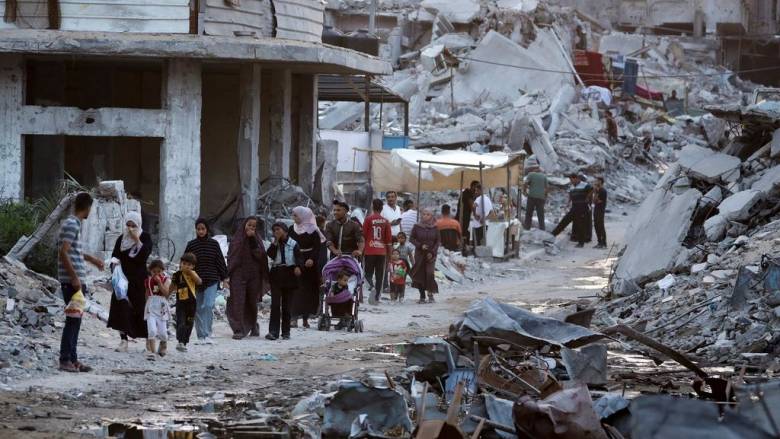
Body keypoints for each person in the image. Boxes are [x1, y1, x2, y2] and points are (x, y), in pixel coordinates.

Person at [58, 192, 104, 372]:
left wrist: (93, 260)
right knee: (72, 320)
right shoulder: (71, 224)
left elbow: (74, 252)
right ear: (87, 207)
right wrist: (74, 277)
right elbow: (63, 252)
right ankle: (65, 360)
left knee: (76, 320)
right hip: (72, 282)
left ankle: (73, 359)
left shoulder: (73, 224)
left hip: (75, 280)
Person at [108, 211, 153, 352]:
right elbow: (115, 255)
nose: (130, 229)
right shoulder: (121, 239)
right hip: (122, 280)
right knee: (121, 308)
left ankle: (148, 340)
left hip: (138, 280)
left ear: (139, 224)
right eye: (128, 225)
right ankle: (123, 340)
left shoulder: (145, 237)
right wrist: (114, 265)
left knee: (140, 309)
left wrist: (137, 240)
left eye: (133, 226)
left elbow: (144, 255)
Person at [184, 218, 228, 345]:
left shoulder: (214, 244)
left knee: (208, 305)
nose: (201, 231)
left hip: (212, 279)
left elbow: (220, 261)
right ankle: (201, 336)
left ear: (207, 229)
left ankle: (208, 333)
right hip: (196, 281)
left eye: (203, 229)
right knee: (197, 308)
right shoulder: (191, 245)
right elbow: (185, 262)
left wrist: (225, 278)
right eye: (198, 229)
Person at [227, 216, 270, 340]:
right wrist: (227, 274)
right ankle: (238, 329)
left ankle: (253, 325)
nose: (251, 228)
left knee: (251, 301)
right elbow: (231, 256)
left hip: (253, 274)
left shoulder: (257, 240)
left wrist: (252, 240)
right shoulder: (236, 239)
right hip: (238, 274)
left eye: (254, 226)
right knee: (238, 301)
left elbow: (260, 256)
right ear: (244, 225)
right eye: (249, 225)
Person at [266, 223, 303, 341]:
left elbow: (299, 257)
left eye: (278, 229)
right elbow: (270, 255)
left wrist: (298, 267)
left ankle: (286, 332)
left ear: (285, 231)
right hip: (276, 274)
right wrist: (275, 243)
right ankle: (273, 332)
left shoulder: (293, 243)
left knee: (287, 306)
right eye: (274, 230)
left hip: (289, 274)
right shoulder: (274, 243)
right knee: (275, 305)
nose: (276, 232)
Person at [288, 207, 323, 328]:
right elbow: (288, 245)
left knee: (308, 291)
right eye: (293, 215)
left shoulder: (313, 230)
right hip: (295, 261)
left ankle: (305, 318)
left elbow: (317, 247)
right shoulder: (291, 229)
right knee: (295, 290)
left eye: (296, 215)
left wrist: (312, 259)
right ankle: (293, 317)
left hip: (309, 264)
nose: (294, 218)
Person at [363, 199, 392, 304]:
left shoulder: (368, 219)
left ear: (372, 207)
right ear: (382, 208)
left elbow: (364, 236)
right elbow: (388, 240)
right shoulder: (386, 221)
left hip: (369, 251)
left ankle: (371, 287)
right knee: (380, 276)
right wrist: (389, 255)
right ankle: (376, 298)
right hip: (382, 252)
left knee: (367, 274)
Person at [551, 174, 592, 247]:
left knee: (580, 225)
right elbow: (570, 194)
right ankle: (552, 235)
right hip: (574, 207)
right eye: (570, 180)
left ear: (576, 178)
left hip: (582, 208)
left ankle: (581, 243)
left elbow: (592, 190)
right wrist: (568, 202)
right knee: (565, 220)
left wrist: (588, 198)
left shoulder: (585, 185)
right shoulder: (572, 187)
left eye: (572, 180)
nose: (571, 181)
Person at [171, 252, 201, 351]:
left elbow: (199, 282)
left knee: (189, 324)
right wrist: (166, 295)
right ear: (180, 263)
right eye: (184, 264)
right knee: (181, 322)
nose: (186, 266)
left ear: (193, 266)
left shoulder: (194, 274)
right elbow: (172, 286)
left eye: (189, 265)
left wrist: (191, 272)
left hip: (192, 304)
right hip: (181, 303)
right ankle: (180, 341)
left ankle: (184, 342)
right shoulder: (177, 275)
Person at [410, 208, 440, 304]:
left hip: (431, 255)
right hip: (420, 254)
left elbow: (437, 242)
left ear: (431, 216)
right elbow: (411, 238)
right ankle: (422, 296)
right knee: (420, 274)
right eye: (423, 214)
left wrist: (432, 252)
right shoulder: (416, 226)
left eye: (428, 214)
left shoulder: (435, 227)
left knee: (430, 273)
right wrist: (420, 245)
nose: (425, 216)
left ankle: (430, 294)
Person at [143, 259, 171, 358]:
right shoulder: (148, 281)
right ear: (150, 271)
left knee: (163, 332)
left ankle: (163, 345)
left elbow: (166, 294)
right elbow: (147, 294)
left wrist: (159, 283)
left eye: (159, 271)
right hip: (151, 306)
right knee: (152, 330)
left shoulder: (166, 280)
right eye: (154, 271)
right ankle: (152, 351)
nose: (156, 274)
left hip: (161, 307)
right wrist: (146, 305)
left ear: (163, 271)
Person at [524, 165, 548, 231]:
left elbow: (525, 183)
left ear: (534, 169)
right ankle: (542, 229)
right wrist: (545, 196)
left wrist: (524, 191)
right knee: (540, 215)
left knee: (529, 213)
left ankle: (527, 228)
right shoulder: (544, 176)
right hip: (541, 198)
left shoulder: (531, 174)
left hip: (532, 196)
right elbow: (546, 188)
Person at [457, 181, 479, 250]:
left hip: (464, 215)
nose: (477, 189)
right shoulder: (467, 193)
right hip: (462, 216)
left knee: (465, 231)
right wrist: (475, 214)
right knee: (463, 231)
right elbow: (472, 205)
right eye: (476, 187)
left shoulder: (468, 193)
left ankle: (464, 246)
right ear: (473, 186)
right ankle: (464, 247)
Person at [592, 177, 608, 249]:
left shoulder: (602, 191)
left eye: (597, 181)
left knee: (600, 226)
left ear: (600, 182)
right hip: (596, 209)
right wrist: (595, 192)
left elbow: (597, 201)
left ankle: (603, 243)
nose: (596, 182)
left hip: (600, 210)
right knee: (596, 225)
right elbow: (594, 201)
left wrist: (595, 194)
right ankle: (599, 242)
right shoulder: (597, 191)